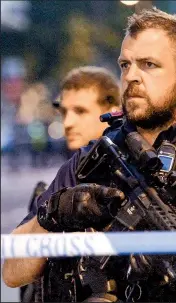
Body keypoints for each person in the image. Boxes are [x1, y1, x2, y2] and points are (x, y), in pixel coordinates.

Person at [3, 8, 176, 302]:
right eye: (125, 65)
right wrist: (51, 215)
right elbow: (13, 272)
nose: (131, 76)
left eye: (148, 64)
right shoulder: (92, 160)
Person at [19, 66, 121, 302]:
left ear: (113, 112)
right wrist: (51, 213)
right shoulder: (63, 177)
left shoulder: (124, 176)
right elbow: (13, 274)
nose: (67, 123)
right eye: (63, 112)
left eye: (80, 111)